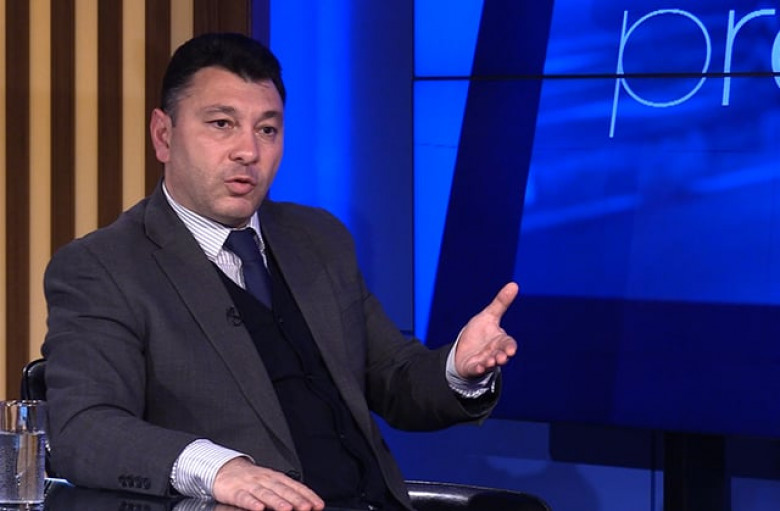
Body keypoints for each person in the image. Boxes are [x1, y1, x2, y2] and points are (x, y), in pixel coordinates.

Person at [42, 33, 519, 511]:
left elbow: (394, 379)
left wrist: (458, 370)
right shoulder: (103, 267)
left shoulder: (318, 239)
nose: (248, 151)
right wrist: (217, 470)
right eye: (222, 124)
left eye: (267, 130)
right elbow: (83, 429)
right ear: (163, 135)